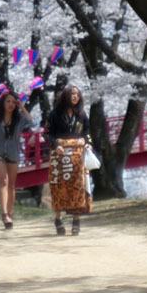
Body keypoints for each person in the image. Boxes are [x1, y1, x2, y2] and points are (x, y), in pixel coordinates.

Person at [0, 91, 34, 229]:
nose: (10, 104)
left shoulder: (19, 118)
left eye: (13, 102)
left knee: (12, 184)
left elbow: (31, 121)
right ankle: (4, 214)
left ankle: (10, 213)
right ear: (3, 103)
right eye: (8, 101)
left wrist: (21, 106)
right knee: (3, 181)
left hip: (13, 153)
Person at [48, 84, 92, 236]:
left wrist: (88, 144)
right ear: (66, 95)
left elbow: (87, 133)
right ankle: (58, 219)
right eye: (72, 94)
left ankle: (76, 220)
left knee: (77, 186)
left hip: (77, 155)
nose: (75, 97)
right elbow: (49, 134)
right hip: (59, 154)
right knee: (59, 185)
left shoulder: (82, 115)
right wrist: (55, 145)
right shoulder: (55, 114)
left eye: (77, 95)